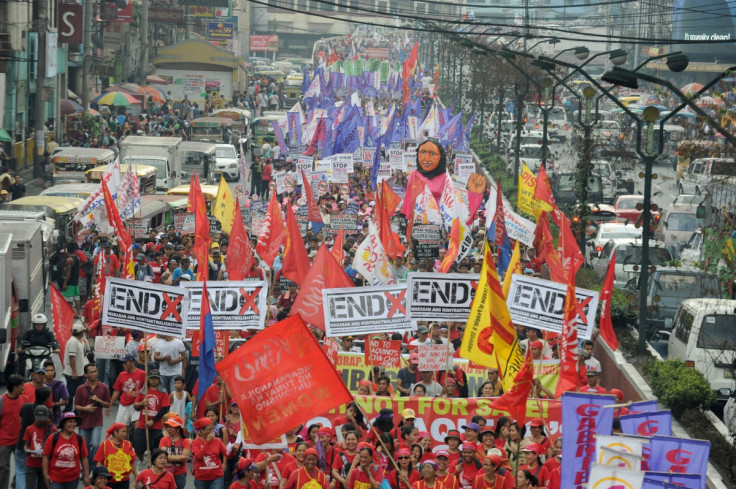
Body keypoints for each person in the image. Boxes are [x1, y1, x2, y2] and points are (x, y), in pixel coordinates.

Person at [75, 364, 111, 468]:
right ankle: (86, 470)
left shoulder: (103, 387)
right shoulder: (81, 388)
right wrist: (85, 408)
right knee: (84, 448)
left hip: (97, 422)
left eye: (96, 371)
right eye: (91, 372)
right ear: (86, 374)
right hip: (83, 422)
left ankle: (90, 469)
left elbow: (108, 404)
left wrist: (99, 400)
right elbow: (76, 406)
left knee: (95, 445)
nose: (95, 374)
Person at [43, 411, 91, 489]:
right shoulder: (53, 438)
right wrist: (45, 475)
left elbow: (84, 458)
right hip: (55, 478)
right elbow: (46, 457)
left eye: (74, 422)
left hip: (73, 479)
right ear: (63, 424)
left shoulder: (80, 439)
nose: (72, 424)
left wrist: (86, 476)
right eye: (70, 422)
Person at [133, 370, 171, 462]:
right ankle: (141, 461)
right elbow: (136, 406)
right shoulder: (143, 391)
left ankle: (154, 464)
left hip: (156, 425)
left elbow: (164, 409)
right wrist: (142, 403)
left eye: (156, 379)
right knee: (137, 445)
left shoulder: (163, 393)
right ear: (148, 379)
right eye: (152, 378)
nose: (154, 380)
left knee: (155, 447)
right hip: (142, 423)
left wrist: (152, 421)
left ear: (159, 380)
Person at [106, 353, 146, 437]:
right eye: (123, 363)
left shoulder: (142, 374)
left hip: (136, 405)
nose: (123, 365)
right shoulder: (122, 374)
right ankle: (124, 448)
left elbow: (146, 389)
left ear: (132, 362)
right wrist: (110, 405)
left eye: (125, 362)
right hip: (123, 404)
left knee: (138, 430)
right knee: (122, 431)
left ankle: (137, 448)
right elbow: (117, 391)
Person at [0, 374, 26, 489]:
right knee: (3, 468)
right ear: (15, 387)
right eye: (21, 385)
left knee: (21, 467)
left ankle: (16, 485)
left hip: (20, 440)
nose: (24, 387)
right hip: (4, 441)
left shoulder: (25, 399)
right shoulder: (1, 401)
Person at [93, 422, 137, 489]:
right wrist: (96, 478)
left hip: (124, 481)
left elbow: (132, 462)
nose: (125, 434)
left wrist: (136, 475)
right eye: (123, 432)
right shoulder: (105, 445)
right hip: (109, 480)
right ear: (115, 432)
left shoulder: (128, 444)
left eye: (126, 432)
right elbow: (99, 463)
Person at [24, 405, 57, 489]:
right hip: (31, 464)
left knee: (43, 486)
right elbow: (26, 445)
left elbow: (55, 446)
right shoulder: (29, 429)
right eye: (38, 418)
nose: (40, 421)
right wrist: (27, 450)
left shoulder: (52, 429)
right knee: (29, 486)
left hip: (45, 465)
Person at [191, 417, 228, 489]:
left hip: (217, 476)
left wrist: (233, 450)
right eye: (209, 429)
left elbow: (227, 454)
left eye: (212, 428)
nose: (212, 431)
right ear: (201, 430)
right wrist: (207, 442)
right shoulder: (195, 442)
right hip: (201, 478)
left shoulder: (217, 441)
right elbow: (199, 456)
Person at [63, 322, 88, 412]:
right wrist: (74, 372)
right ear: (81, 332)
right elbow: (72, 357)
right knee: (71, 393)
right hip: (73, 373)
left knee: (78, 392)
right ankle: (68, 410)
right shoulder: (73, 342)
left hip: (79, 372)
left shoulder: (78, 341)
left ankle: (75, 410)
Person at [160, 415, 191, 489]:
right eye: (167, 427)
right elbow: (162, 456)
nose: (168, 429)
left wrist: (169, 457)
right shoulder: (163, 440)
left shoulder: (185, 441)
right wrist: (179, 458)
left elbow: (185, 457)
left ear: (178, 428)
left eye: (171, 427)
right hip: (165, 472)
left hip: (180, 474)